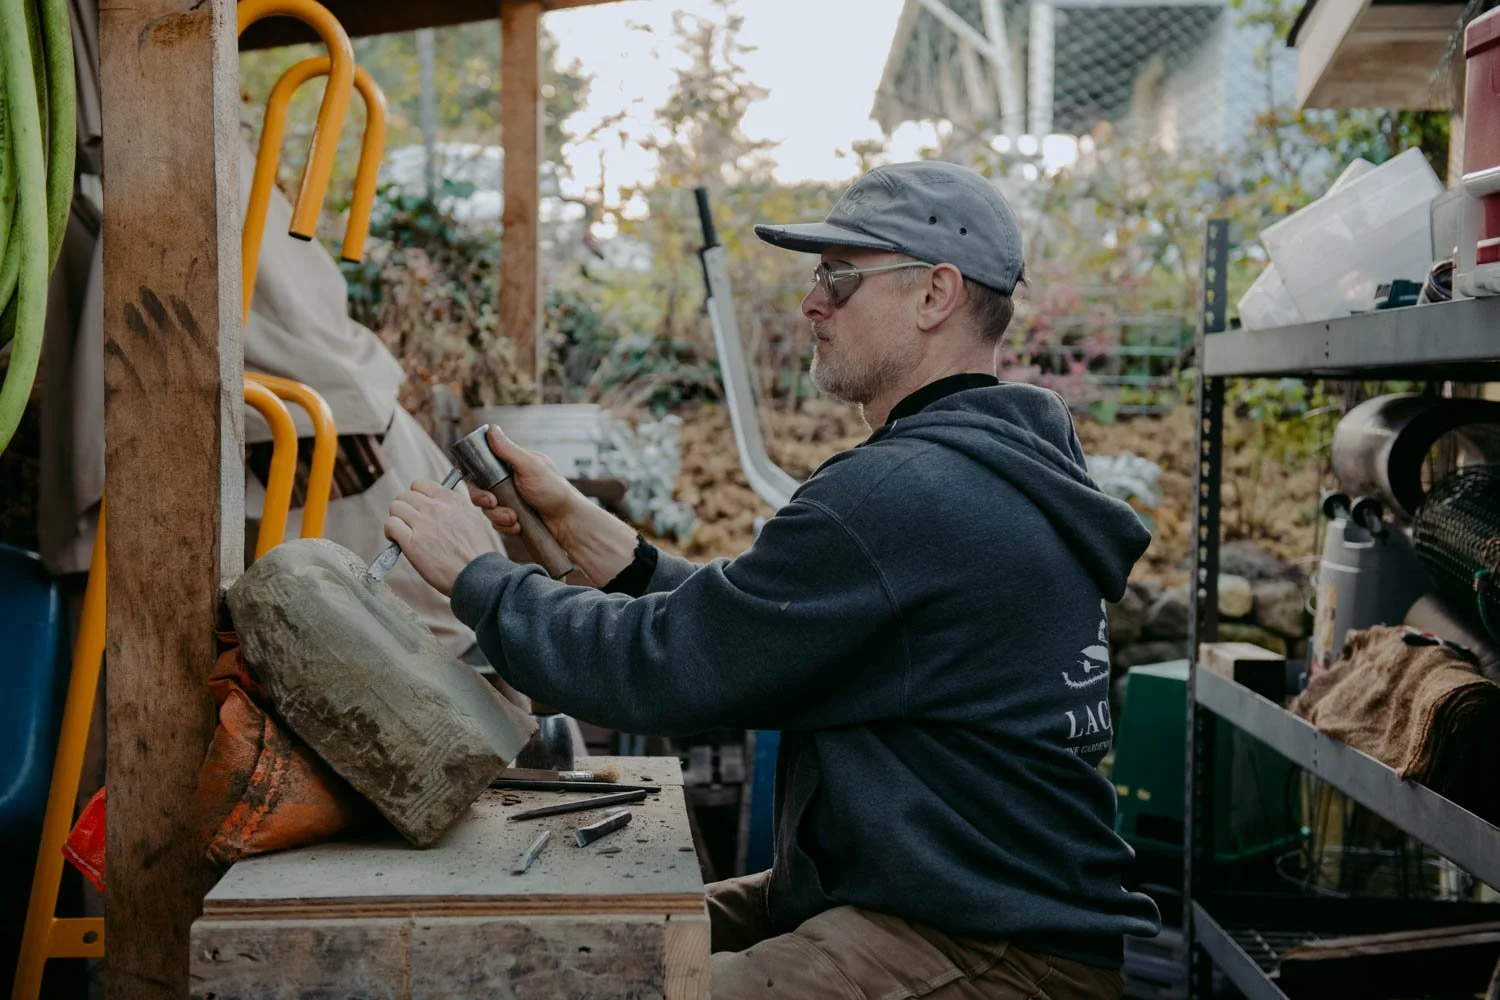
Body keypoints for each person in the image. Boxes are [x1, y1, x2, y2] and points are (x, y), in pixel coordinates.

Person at [384, 160, 1161, 999]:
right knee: (592, 942)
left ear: (935, 295)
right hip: (934, 892)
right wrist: (587, 533)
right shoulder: (990, 472)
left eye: (839, 276)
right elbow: (766, 626)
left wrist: (478, 577)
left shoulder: (900, 495)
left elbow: (671, 668)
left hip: (986, 947)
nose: (811, 303)